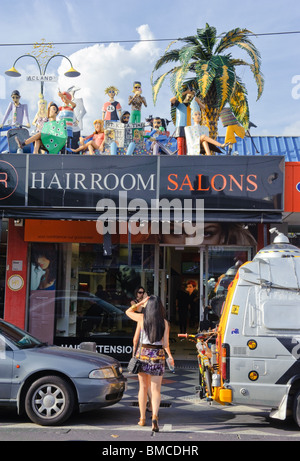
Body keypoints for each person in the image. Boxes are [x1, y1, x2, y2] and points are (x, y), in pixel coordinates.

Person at [126, 295, 174, 432]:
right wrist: (169, 356)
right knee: (156, 389)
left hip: (143, 354)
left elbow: (128, 312)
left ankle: (142, 419)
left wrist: (140, 302)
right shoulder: (164, 322)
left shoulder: (141, 318)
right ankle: (154, 417)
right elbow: (165, 344)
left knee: (143, 387)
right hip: (158, 355)